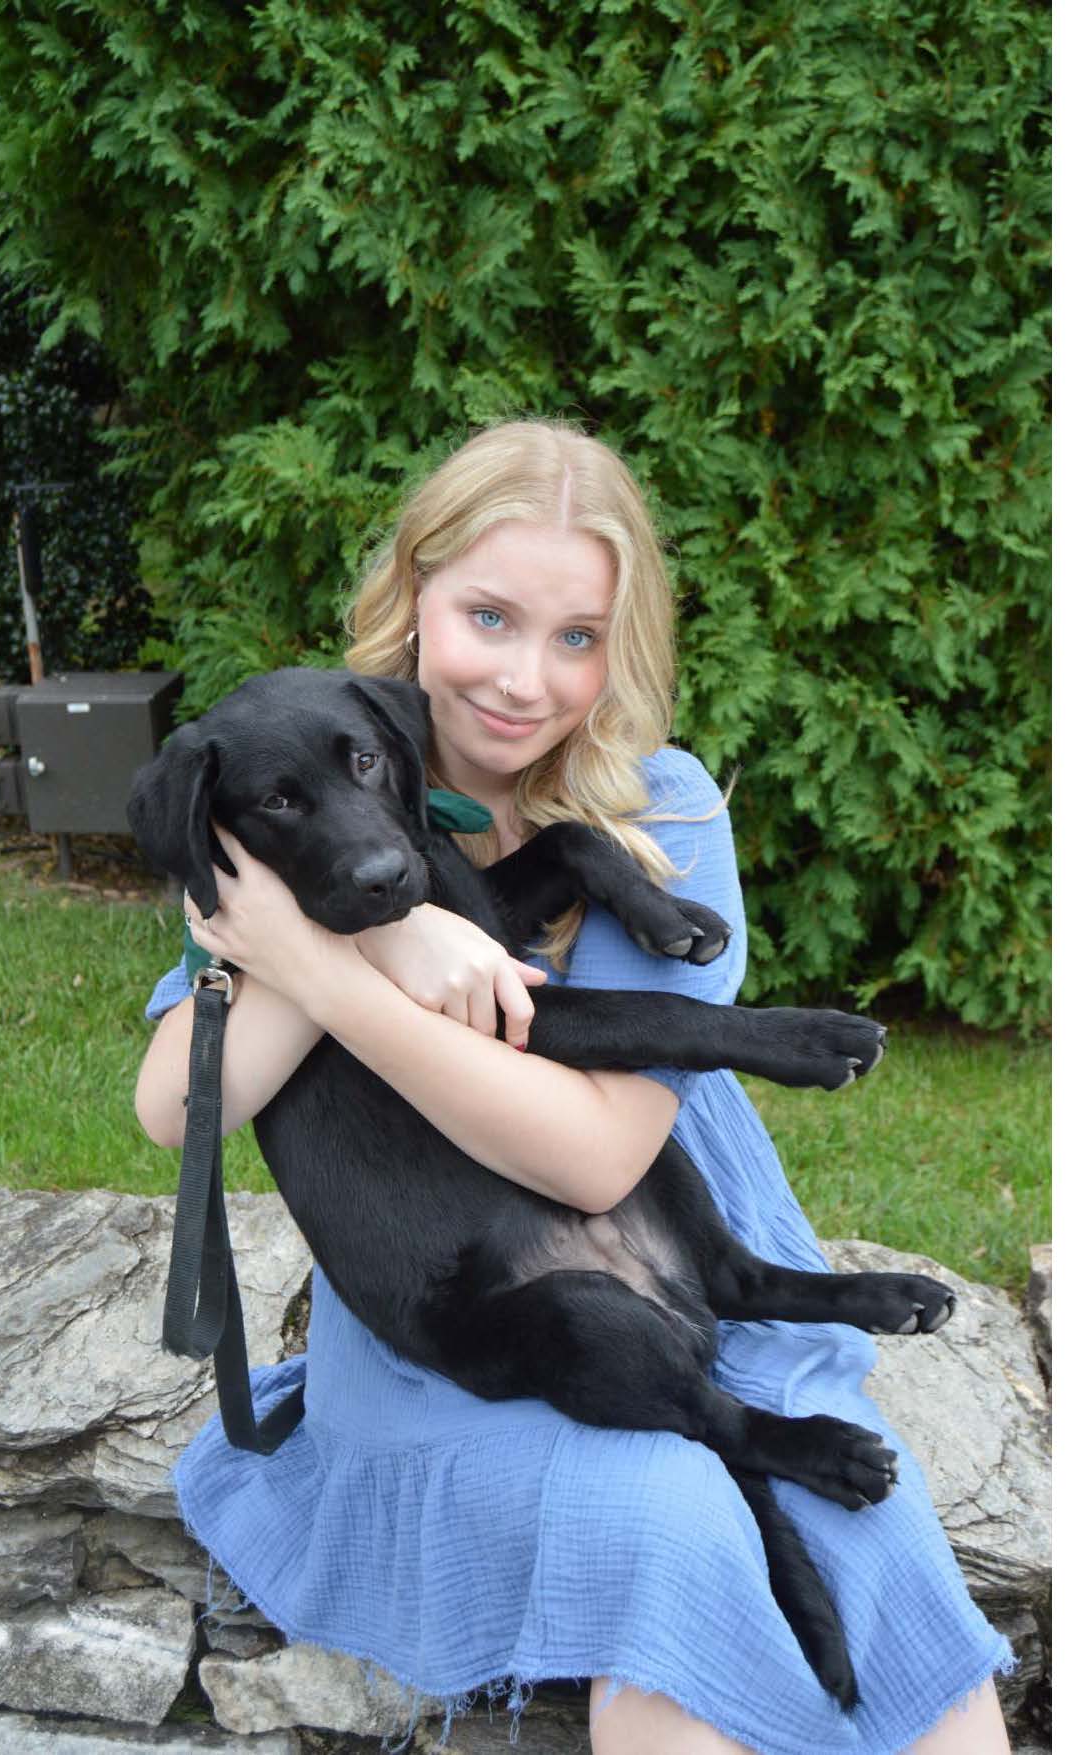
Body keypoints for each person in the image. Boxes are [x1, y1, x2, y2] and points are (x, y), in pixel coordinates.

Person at [135, 420, 1013, 1754]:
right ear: (412, 600)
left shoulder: (658, 809)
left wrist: (346, 959)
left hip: (674, 1250)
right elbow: (177, 1107)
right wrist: (352, 937)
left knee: (875, 1536)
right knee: (664, 1523)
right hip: (458, 1323)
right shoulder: (283, 781)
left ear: (622, 650)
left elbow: (595, 1164)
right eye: (489, 615)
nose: (525, 679)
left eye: (579, 637)